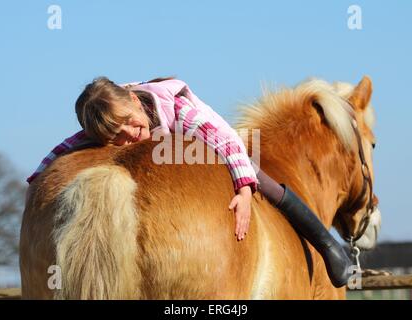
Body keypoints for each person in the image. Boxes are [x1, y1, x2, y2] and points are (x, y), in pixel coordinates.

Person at [27, 76, 351, 287]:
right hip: (166, 150)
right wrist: (39, 176)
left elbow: (226, 141)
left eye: (130, 124)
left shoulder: (180, 111)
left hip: (206, 141)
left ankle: (326, 244)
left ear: (135, 102)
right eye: (116, 137)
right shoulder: (116, 116)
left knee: (256, 172)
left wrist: (244, 189)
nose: (129, 136)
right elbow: (66, 147)